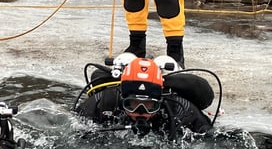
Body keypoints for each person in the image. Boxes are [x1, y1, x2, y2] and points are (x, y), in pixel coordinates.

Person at [74, 55, 214, 138]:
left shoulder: (178, 108)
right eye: (132, 104)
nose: (141, 113)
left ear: (160, 101)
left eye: (149, 105)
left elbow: (209, 137)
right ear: (122, 99)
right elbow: (74, 127)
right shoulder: (105, 102)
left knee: (168, 60)